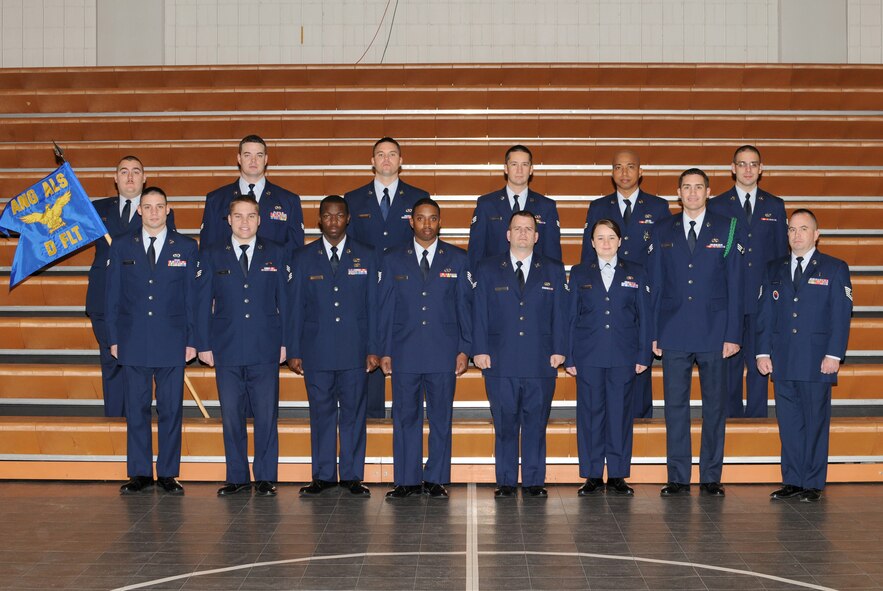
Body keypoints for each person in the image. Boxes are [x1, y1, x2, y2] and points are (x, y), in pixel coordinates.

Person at [649, 168, 744, 497]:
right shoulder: (663, 229)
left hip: (715, 331)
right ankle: (677, 476)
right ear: (678, 192)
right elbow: (656, 286)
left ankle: (711, 476)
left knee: (714, 406)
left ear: (708, 191)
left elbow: (735, 284)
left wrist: (733, 333)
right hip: (673, 330)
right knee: (675, 405)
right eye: (686, 187)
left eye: (698, 187)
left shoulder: (727, 228)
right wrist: (654, 333)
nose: (692, 193)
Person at [105, 186, 197, 495]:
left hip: (173, 340)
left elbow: (192, 299)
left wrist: (193, 340)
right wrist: (114, 339)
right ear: (140, 210)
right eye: (148, 206)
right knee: (137, 409)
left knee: (171, 410)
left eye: (160, 206)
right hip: (133, 340)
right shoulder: (121, 247)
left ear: (168, 210)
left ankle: (169, 472)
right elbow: (112, 297)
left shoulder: (186, 247)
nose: (154, 211)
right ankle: (140, 472)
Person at [756, 209, 852, 503]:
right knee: (789, 423)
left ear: (816, 234)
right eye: (791, 230)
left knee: (815, 422)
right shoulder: (774, 268)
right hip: (783, 359)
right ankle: (793, 480)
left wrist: (834, 354)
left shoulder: (835, 268)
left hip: (817, 360)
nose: (796, 235)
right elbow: (765, 314)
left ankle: (812, 482)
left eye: (803, 229)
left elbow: (841, 315)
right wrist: (762, 352)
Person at [378, 198, 472, 498]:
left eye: (432, 219)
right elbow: (385, 308)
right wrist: (385, 350)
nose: (427, 224)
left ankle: (435, 479)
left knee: (441, 417)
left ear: (440, 222)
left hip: (443, 351)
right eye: (421, 218)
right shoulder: (392, 258)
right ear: (411, 222)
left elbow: (464, 308)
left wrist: (464, 349)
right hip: (404, 350)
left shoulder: (457, 258)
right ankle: (405, 479)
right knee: (405, 417)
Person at [196, 195, 288, 497]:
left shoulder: (275, 252)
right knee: (232, 415)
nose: (244, 222)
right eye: (238, 216)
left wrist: (287, 342)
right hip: (226, 346)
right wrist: (203, 343)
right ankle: (236, 476)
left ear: (260, 220)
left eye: (251, 216)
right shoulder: (211, 254)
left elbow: (285, 303)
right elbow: (202, 302)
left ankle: (265, 476)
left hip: (266, 346)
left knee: (265, 415)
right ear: (228, 220)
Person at [288, 195, 380, 497]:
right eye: (327, 216)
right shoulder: (303, 257)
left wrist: (373, 348)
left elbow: (373, 306)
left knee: (354, 414)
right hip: (317, 351)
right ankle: (324, 475)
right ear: (319, 219)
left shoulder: (366, 255)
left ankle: (353, 475)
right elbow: (295, 308)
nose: (333, 221)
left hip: (355, 351)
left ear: (348, 218)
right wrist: (294, 350)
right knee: (321, 414)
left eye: (339, 215)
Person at [472, 210, 568, 498]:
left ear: (537, 236)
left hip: (540, 359)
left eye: (529, 229)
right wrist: (479, 350)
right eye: (518, 228)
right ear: (508, 234)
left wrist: (560, 349)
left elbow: (560, 314)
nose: (523, 233)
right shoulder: (488, 268)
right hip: (500, 359)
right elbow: (479, 312)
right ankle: (505, 480)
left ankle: (534, 481)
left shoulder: (553, 268)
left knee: (536, 423)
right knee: (505, 424)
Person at [580, 149, 671, 419]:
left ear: (640, 172)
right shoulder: (598, 207)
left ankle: (640, 418)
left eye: (631, 167)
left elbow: (664, 254)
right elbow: (588, 258)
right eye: (618, 167)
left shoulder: (658, 207)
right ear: (612, 173)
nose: (624, 173)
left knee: (639, 358)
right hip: (608, 292)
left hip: (643, 294)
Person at [345, 137, 429, 419]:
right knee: (369, 347)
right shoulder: (353, 199)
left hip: (405, 286)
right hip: (365, 285)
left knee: (404, 345)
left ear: (401, 161)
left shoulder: (419, 196)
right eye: (380, 154)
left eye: (392, 154)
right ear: (372, 161)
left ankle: (406, 414)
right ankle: (371, 414)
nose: (386, 160)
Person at [566, 219, 652, 496]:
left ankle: (617, 474)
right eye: (600, 238)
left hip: (623, 356)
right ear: (591, 243)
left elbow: (644, 317)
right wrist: (569, 356)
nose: (605, 243)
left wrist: (643, 354)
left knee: (619, 415)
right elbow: (571, 317)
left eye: (611, 238)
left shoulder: (636, 272)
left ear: (620, 241)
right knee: (590, 415)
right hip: (588, 355)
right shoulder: (579, 273)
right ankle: (591, 474)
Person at [87, 156, 176, 417]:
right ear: (115, 178)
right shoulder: (96, 209)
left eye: (136, 172)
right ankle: (116, 426)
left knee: (142, 367)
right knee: (113, 363)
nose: (129, 177)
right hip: (105, 298)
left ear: (144, 178)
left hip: (144, 303)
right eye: (123, 172)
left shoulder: (156, 210)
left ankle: (140, 426)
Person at [709, 145, 788, 418]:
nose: (748, 169)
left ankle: (756, 420)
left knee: (760, 361)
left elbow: (781, 257)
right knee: (728, 363)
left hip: (763, 299)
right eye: (742, 164)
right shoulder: (717, 205)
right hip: (728, 298)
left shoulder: (775, 205)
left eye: (753, 164)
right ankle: (730, 418)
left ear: (761, 169)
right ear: (732, 168)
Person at [199, 134, 304, 252]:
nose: (253, 160)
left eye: (259, 155)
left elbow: (296, 251)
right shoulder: (216, 199)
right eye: (247, 155)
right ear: (239, 159)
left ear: (266, 159)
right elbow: (207, 249)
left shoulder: (289, 201)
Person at [467, 145, 562, 272]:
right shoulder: (486, 204)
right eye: (514, 164)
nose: (519, 170)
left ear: (531, 169)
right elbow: (476, 251)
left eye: (524, 164)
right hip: (493, 281)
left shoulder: (546, 206)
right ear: (506, 168)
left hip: (535, 283)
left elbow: (552, 253)